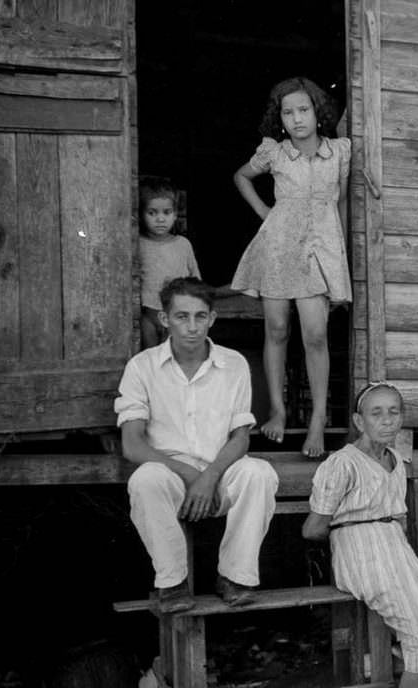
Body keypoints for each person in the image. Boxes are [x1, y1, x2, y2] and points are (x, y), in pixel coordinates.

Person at [115, 277, 279, 613]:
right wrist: (191, 475)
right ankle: (173, 584)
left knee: (259, 473)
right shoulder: (142, 366)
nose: (191, 326)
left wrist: (210, 476)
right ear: (164, 319)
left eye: (200, 316)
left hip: (220, 472)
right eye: (181, 316)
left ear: (212, 319)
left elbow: (240, 436)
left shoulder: (233, 363)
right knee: (145, 479)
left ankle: (235, 577)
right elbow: (132, 444)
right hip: (172, 476)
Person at [303, 382, 418, 688]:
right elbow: (313, 528)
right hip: (361, 553)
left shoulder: (395, 461)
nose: (386, 420)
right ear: (359, 421)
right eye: (376, 413)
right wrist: (357, 534)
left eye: (394, 412)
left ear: (402, 416)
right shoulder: (343, 463)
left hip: (397, 551)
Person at [232, 76, 351, 458]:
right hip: (279, 248)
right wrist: (265, 212)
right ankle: (279, 412)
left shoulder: (340, 152)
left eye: (304, 110)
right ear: (280, 118)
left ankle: (317, 418)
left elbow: (343, 203)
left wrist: (341, 252)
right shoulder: (275, 152)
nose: (297, 118)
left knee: (315, 334)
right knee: (278, 329)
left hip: (320, 249)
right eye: (288, 112)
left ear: (318, 113)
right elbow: (241, 177)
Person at [138, 180, 201, 349]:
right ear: (141, 215)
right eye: (152, 213)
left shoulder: (183, 244)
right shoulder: (137, 244)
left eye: (166, 212)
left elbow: (195, 277)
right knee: (150, 356)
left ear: (175, 215)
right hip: (148, 315)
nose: (160, 219)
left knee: (174, 356)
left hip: (177, 314)